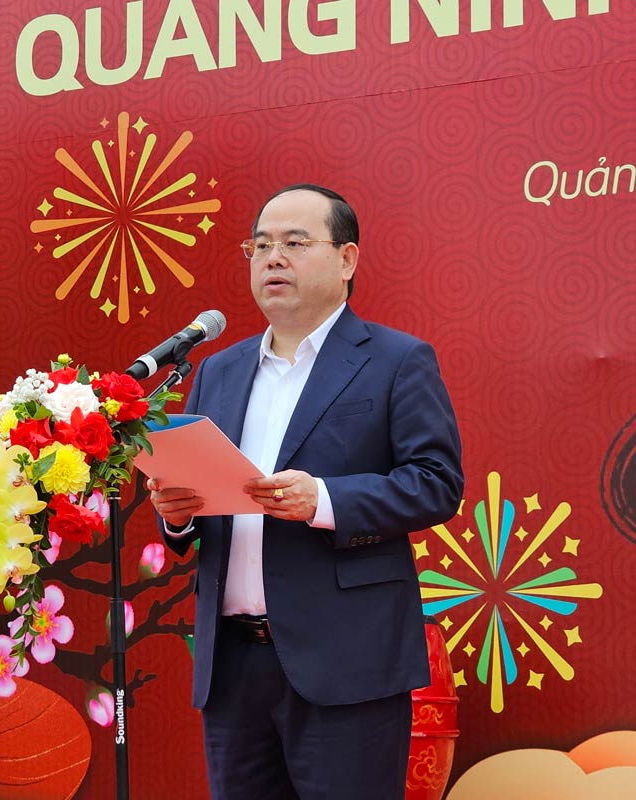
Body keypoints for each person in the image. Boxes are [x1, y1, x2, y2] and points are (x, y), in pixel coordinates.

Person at [148, 184, 463, 799]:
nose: (272, 258)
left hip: (346, 664)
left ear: (346, 260)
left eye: (295, 242)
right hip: (233, 666)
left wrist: (323, 499)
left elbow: (436, 483)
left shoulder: (396, 360)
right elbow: (195, 495)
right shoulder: (219, 369)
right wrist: (177, 515)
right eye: (260, 245)